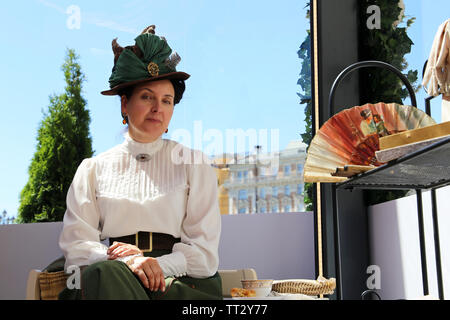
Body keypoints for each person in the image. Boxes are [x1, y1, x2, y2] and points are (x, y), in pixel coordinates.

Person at [58, 25, 223, 300]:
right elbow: (76, 247)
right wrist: (126, 262)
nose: (158, 108)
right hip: (112, 276)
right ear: (125, 104)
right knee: (104, 277)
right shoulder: (92, 169)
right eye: (147, 97)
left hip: (178, 283)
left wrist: (155, 266)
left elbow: (204, 255)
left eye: (167, 100)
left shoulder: (194, 165)